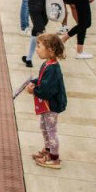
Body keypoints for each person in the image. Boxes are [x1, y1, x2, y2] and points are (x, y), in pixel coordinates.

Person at [27, 33, 67, 169]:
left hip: (52, 105)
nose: (37, 49)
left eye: (39, 46)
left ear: (50, 50)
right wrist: (34, 82)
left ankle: (54, 158)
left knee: (51, 130)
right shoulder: (47, 64)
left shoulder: (53, 69)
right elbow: (41, 80)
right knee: (44, 127)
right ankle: (48, 150)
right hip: (47, 105)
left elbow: (47, 90)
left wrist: (34, 90)